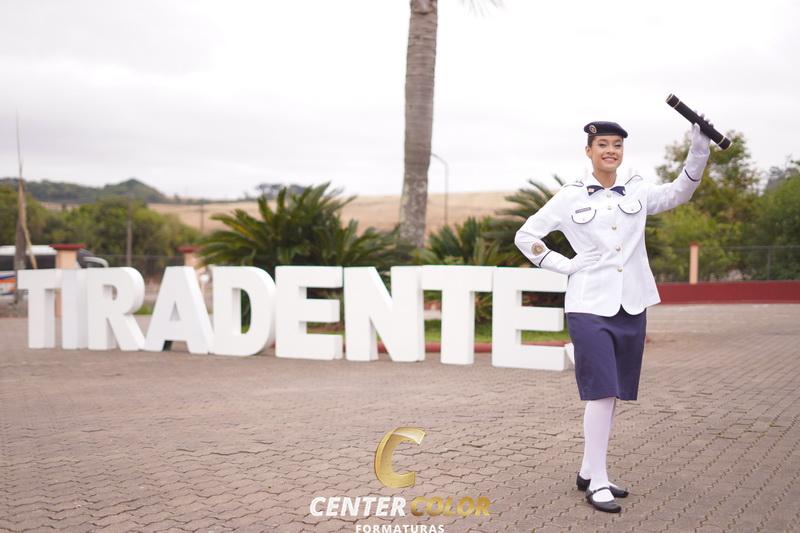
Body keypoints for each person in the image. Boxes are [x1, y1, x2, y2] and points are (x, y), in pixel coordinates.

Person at [514, 119, 712, 512]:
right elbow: (526, 235)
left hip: (631, 304)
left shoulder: (638, 189)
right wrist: (564, 265)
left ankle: (588, 469)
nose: (610, 151)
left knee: (613, 391)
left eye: (617, 145)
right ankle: (598, 482)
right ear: (588, 151)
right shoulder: (569, 197)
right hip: (588, 305)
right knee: (602, 391)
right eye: (602, 144)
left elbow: (680, 191)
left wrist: (699, 147)